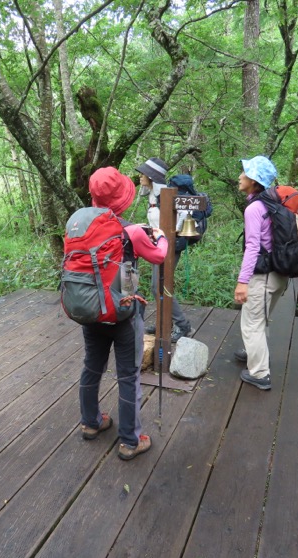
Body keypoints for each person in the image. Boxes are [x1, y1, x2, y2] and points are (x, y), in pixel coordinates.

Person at [79, 167, 168, 461]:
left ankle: (91, 423)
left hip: (91, 309)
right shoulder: (131, 230)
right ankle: (130, 440)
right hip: (124, 312)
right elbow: (159, 255)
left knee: (92, 366)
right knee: (128, 376)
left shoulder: (81, 226)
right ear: (122, 198)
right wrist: (161, 235)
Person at [234, 155, 288, 391]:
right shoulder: (274, 203)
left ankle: (259, 373)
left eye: (244, 173)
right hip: (279, 273)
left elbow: (253, 247)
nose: (240, 176)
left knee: (252, 323)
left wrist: (242, 281)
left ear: (254, 181)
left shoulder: (255, 208)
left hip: (263, 276)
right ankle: (250, 351)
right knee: (259, 319)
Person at [134, 157, 194, 343]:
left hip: (169, 246)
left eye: (143, 174)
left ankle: (182, 325)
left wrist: (168, 233)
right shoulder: (152, 193)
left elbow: (180, 218)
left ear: (151, 176)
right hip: (159, 245)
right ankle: (164, 324)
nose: (140, 177)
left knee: (158, 286)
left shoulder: (165, 194)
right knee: (157, 285)